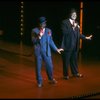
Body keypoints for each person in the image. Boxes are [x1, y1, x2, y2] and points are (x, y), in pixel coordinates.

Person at [31, 16, 63, 87]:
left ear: (45, 23)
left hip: (46, 52)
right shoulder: (34, 30)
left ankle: (51, 79)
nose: (43, 25)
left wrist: (56, 49)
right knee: (38, 67)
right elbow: (33, 41)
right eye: (41, 23)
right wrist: (39, 36)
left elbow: (51, 41)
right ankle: (39, 81)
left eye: (44, 23)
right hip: (38, 52)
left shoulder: (49, 30)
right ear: (39, 24)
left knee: (50, 66)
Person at [61, 8, 92, 80]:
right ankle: (65, 75)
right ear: (70, 14)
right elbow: (65, 33)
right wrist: (73, 27)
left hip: (75, 46)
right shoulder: (64, 22)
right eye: (73, 14)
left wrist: (86, 37)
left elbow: (78, 34)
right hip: (67, 45)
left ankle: (75, 73)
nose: (75, 15)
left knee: (74, 60)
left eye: (75, 14)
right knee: (66, 61)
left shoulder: (76, 22)